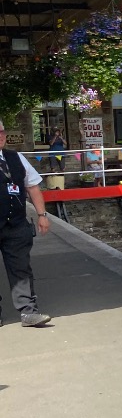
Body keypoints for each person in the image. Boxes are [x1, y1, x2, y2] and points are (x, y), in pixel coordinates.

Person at [0, 119, 52, 327]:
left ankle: (29, 312)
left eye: (2, 131)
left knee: (21, 269)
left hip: (16, 225)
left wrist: (42, 215)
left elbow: (33, 187)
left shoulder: (16, 157)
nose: (1, 136)